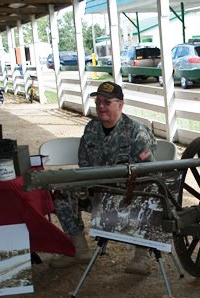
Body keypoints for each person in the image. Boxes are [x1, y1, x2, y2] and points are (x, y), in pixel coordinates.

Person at [50, 81, 157, 273]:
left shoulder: (136, 133)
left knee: (148, 193)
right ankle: (80, 250)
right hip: (97, 193)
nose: (100, 106)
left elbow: (150, 173)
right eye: (98, 101)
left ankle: (142, 256)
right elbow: (84, 165)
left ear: (120, 105)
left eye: (107, 102)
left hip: (128, 196)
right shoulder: (91, 129)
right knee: (62, 192)